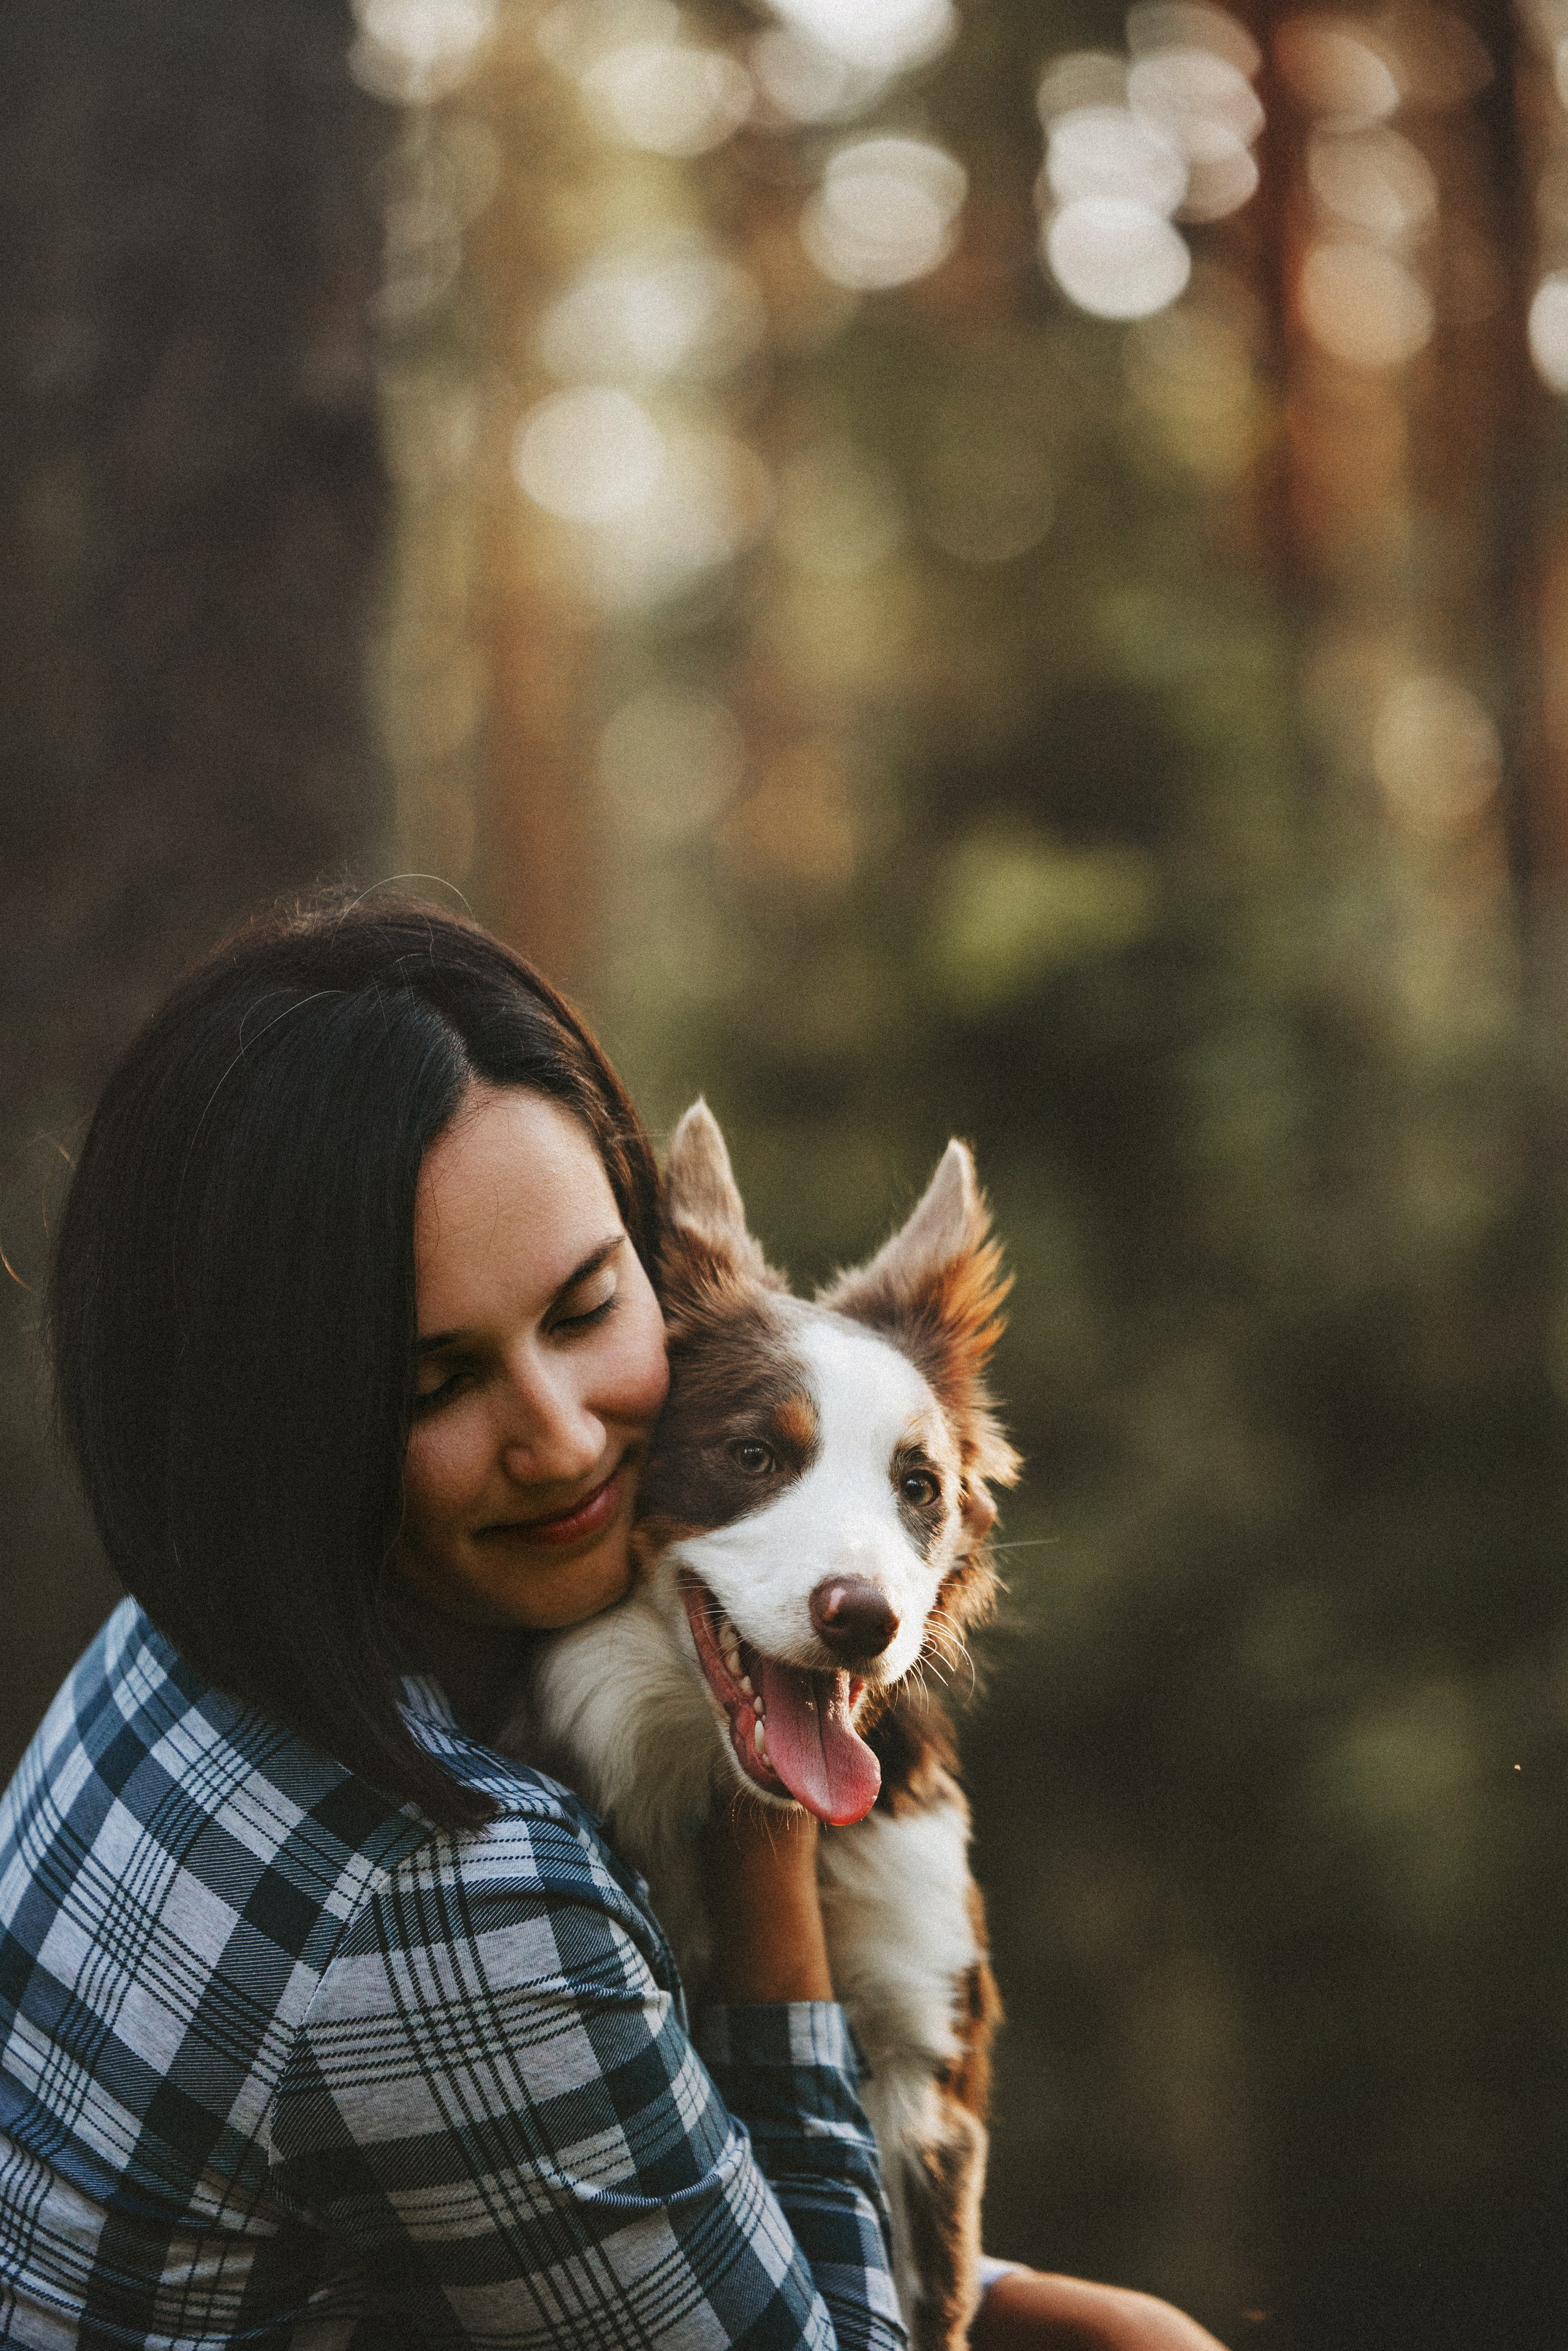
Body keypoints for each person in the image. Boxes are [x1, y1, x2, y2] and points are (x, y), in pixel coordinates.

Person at [0, 894, 1229, 2349]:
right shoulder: (448, 1885)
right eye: (433, 1383)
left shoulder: (190, 1633)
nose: (566, 1437)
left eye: (587, 1307)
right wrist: (774, 1877)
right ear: (284, 1411)